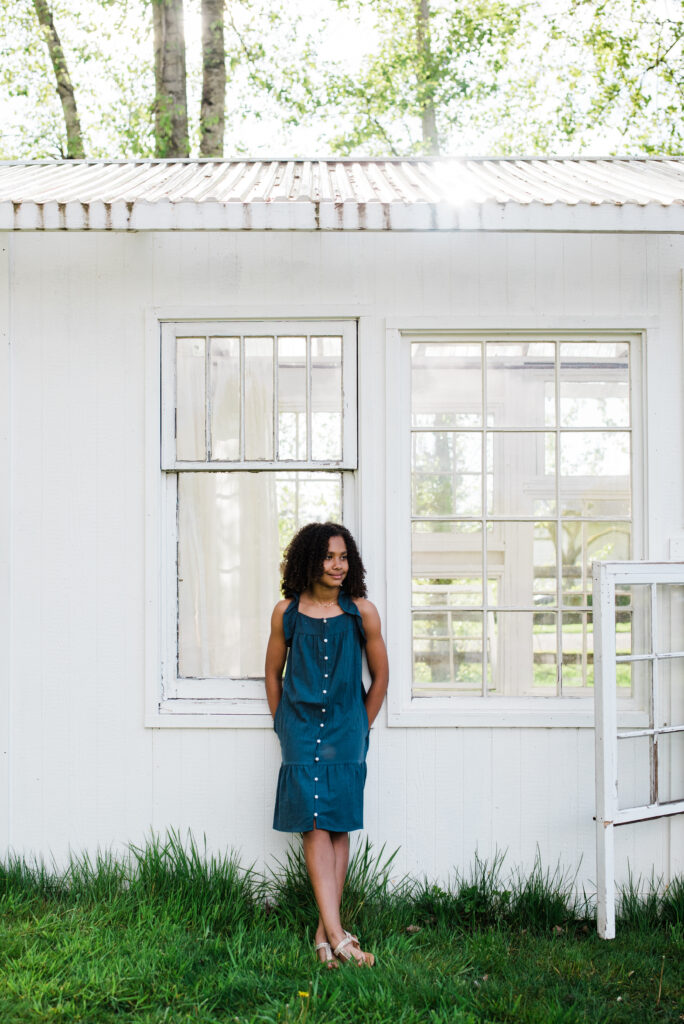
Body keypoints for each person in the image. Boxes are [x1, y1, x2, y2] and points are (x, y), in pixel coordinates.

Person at [265, 522, 389, 967]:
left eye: (344, 557)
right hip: (299, 729)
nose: (338, 566)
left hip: (346, 731)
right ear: (309, 561)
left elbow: (380, 678)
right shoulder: (287, 612)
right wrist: (283, 724)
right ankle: (339, 937)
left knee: (337, 824)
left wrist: (361, 725)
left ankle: (325, 937)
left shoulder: (362, 612)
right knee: (314, 824)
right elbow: (272, 674)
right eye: (329, 557)